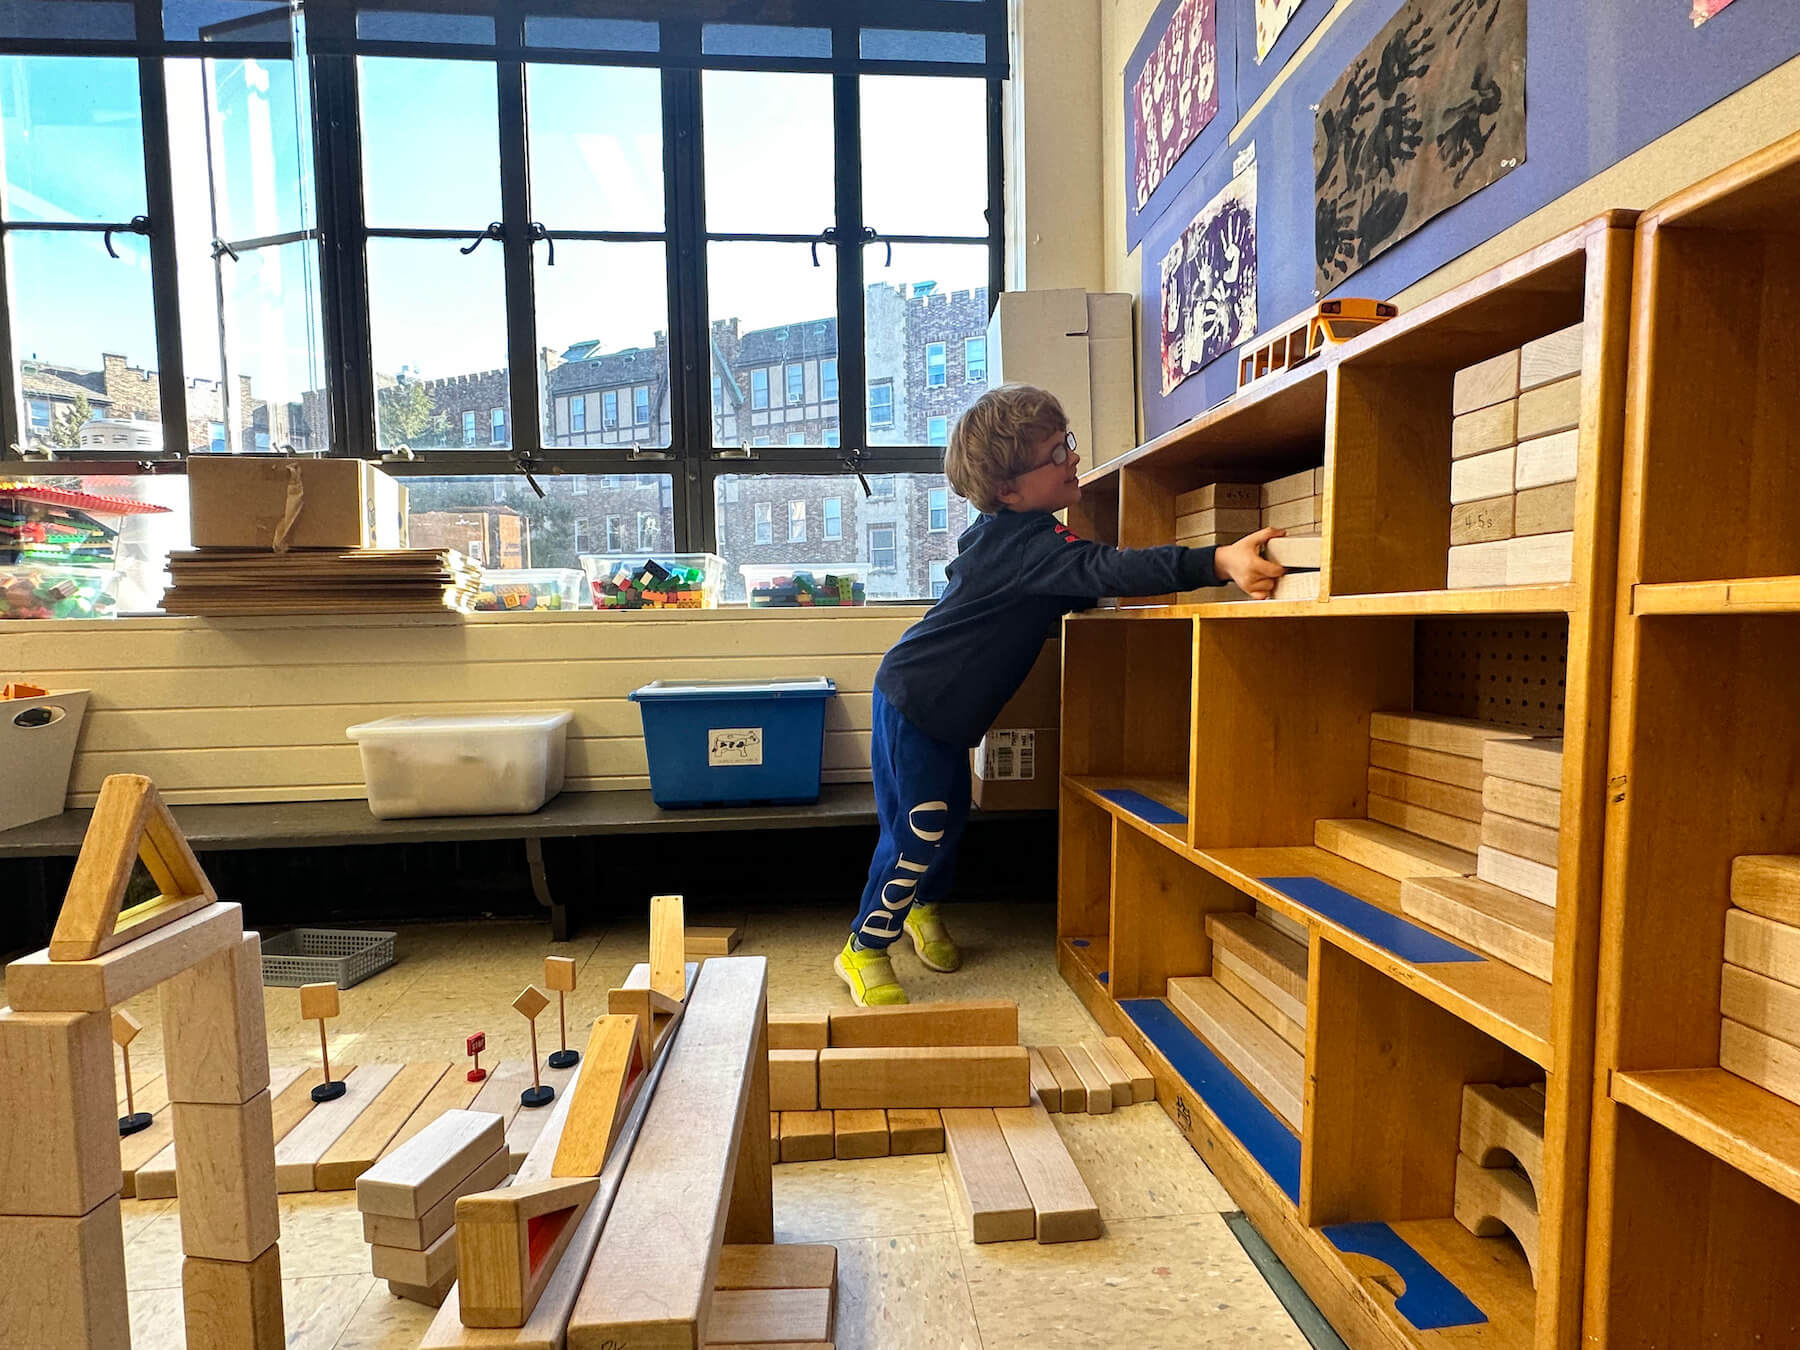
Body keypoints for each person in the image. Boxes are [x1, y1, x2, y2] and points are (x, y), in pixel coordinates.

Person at [837, 383, 1287, 1005]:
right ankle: (862, 947)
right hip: (917, 703)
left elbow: (1071, 577)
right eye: (1056, 454)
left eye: (1066, 443)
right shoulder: (1028, 546)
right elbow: (1110, 568)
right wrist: (1215, 563)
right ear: (1009, 492)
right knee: (918, 830)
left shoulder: (1019, 535)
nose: (1072, 458)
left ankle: (919, 909)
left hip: (938, 709)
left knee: (947, 821)